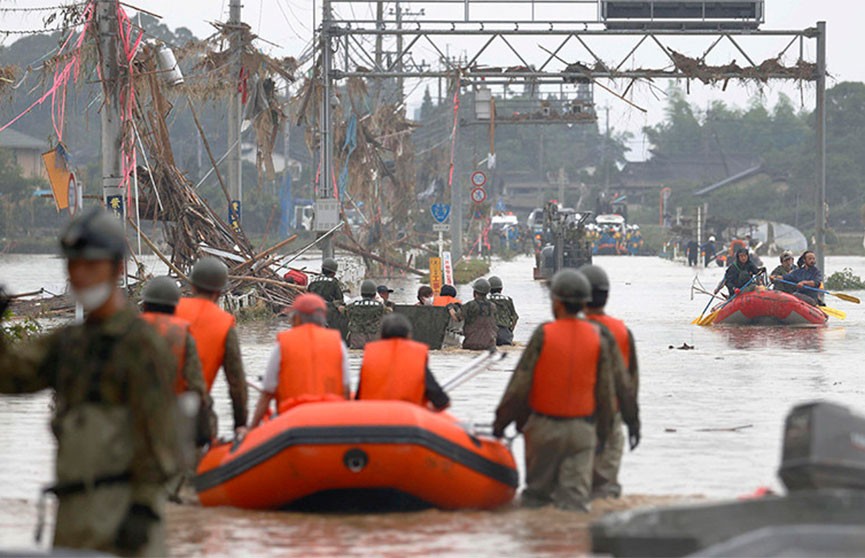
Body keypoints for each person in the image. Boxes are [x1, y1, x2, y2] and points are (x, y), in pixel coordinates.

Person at [0, 208, 179, 556]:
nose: (80, 275)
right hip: (72, 511)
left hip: (124, 511)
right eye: (73, 264)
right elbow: (11, 376)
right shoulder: (69, 343)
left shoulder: (140, 344)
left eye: (91, 264)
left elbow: (160, 437)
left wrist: (142, 510)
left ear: (117, 267)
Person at [492, 269, 638, 511]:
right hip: (583, 431)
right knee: (574, 505)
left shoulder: (544, 333)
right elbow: (609, 387)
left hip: (544, 429)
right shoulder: (599, 336)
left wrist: (502, 422)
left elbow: (520, 385)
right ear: (584, 301)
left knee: (537, 499)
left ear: (557, 301)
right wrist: (613, 428)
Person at [579, 264, 641, 499]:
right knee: (604, 491)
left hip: (572, 419)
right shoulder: (622, 331)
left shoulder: (566, 329)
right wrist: (633, 422)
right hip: (610, 418)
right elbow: (629, 383)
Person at [175, 257, 248, 440]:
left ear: (192, 286)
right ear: (220, 291)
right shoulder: (224, 323)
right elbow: (236, 383)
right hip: (193, 412)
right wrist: (241, 425)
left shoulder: (170, 309)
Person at [251, 293, 349, 427]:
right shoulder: (338, 343)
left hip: (292, 421)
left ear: (296, 318)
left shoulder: (283, 344)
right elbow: (346, 389)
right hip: (328, 418)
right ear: (323, 318)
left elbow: (267, 391)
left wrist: (251, 428)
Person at [140, 276, 214, 446]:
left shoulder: (125, 330)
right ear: (175, 307)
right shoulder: (182, 334)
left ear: (144, 305)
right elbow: (197, 387)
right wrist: (204, 435)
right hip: (169, 424)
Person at [356, 314, 449, 410]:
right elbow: (442, 401)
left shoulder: (370, 357)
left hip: (373, 417)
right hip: (408, 419)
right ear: (409, 335)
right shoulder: (416, 358)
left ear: (381, 336)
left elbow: (358, 399)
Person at [346, 280, 386, 349]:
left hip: (357, 341)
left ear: (361, 294)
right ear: (374, 294)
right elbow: (388, 313)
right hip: (374, 341)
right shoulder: (380, 307)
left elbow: (344, 311)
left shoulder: (352, 306)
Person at [461, 278, 498, 351]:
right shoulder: (493, 306)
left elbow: (457, 318)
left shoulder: (470, 305)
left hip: (471, 344)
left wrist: (450, 308)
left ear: (475, 292)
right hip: (490, 345)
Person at [488, 276, 519, 346]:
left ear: (488, 290)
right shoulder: (508, 300)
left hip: (490, 336)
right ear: (501, 289)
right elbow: (515, 317)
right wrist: (510, 331)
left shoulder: (486, 301)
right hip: (505, 336)